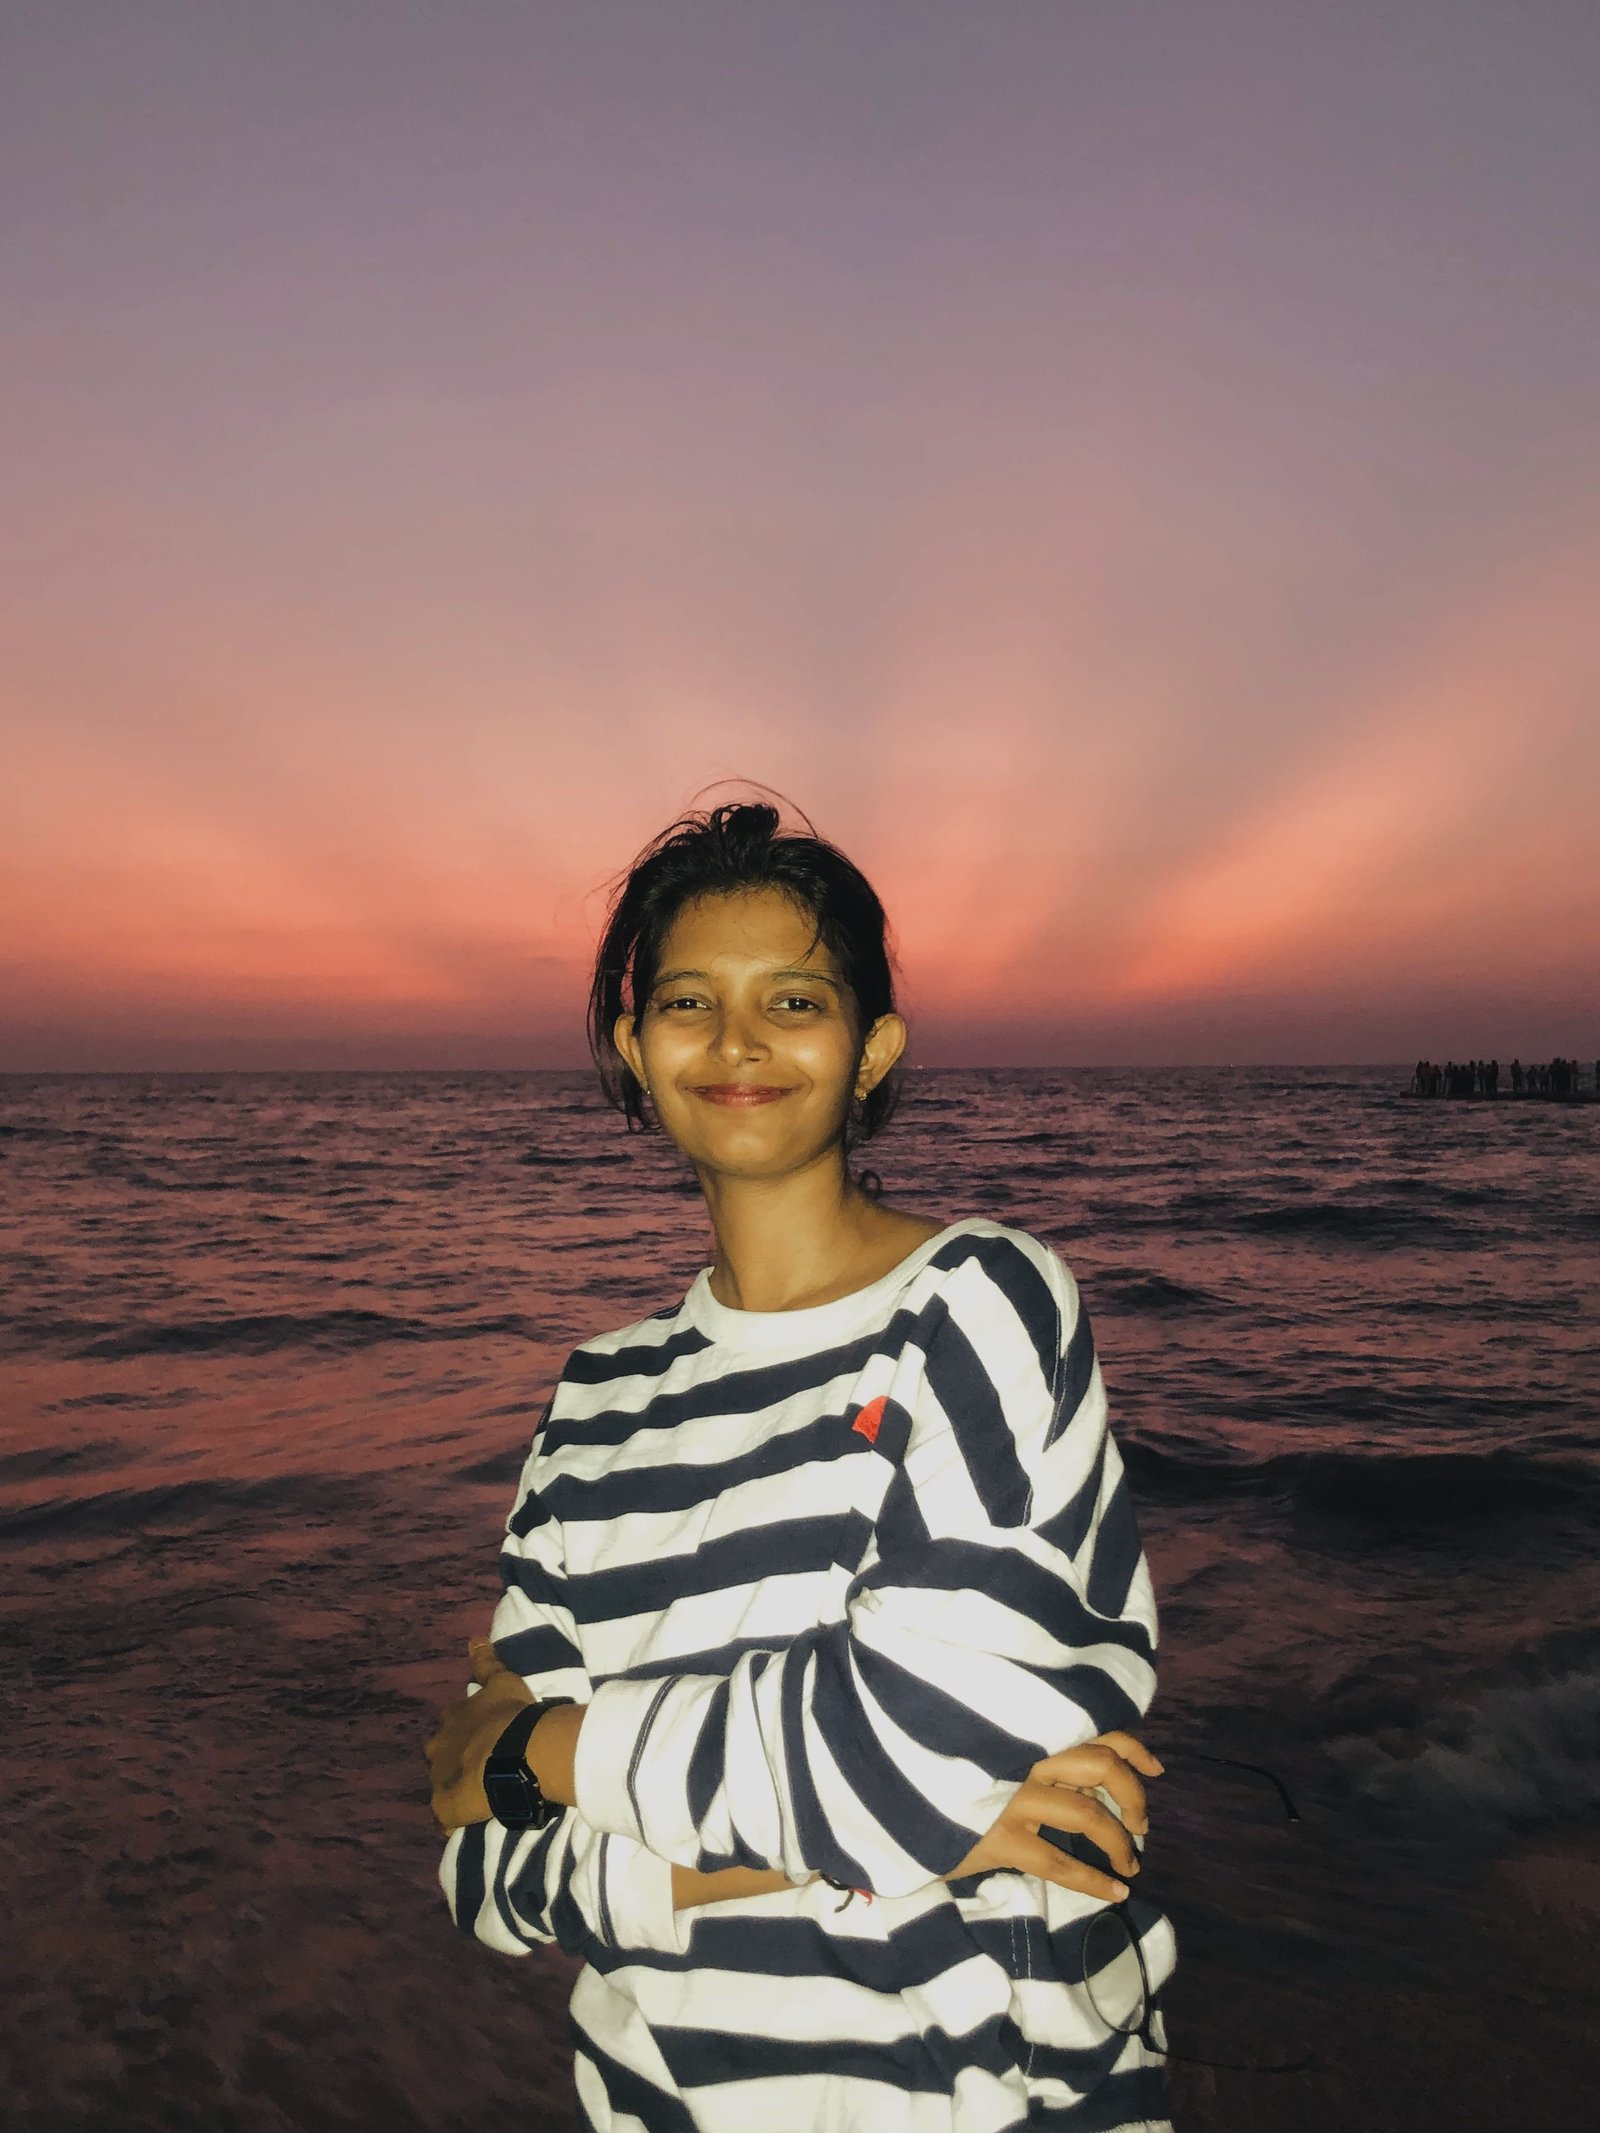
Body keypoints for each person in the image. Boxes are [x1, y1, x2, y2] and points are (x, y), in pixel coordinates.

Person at [426, 798, 1174, 2132]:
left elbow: (903, 1759)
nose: (737, 1042)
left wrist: (536, 1750)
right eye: (689, 1003)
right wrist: (931, 1826)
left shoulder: (978, 1304)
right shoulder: (596, 1397)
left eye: (794, 1000)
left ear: (872, 1046)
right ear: (635, 1047)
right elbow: (488, 1875)